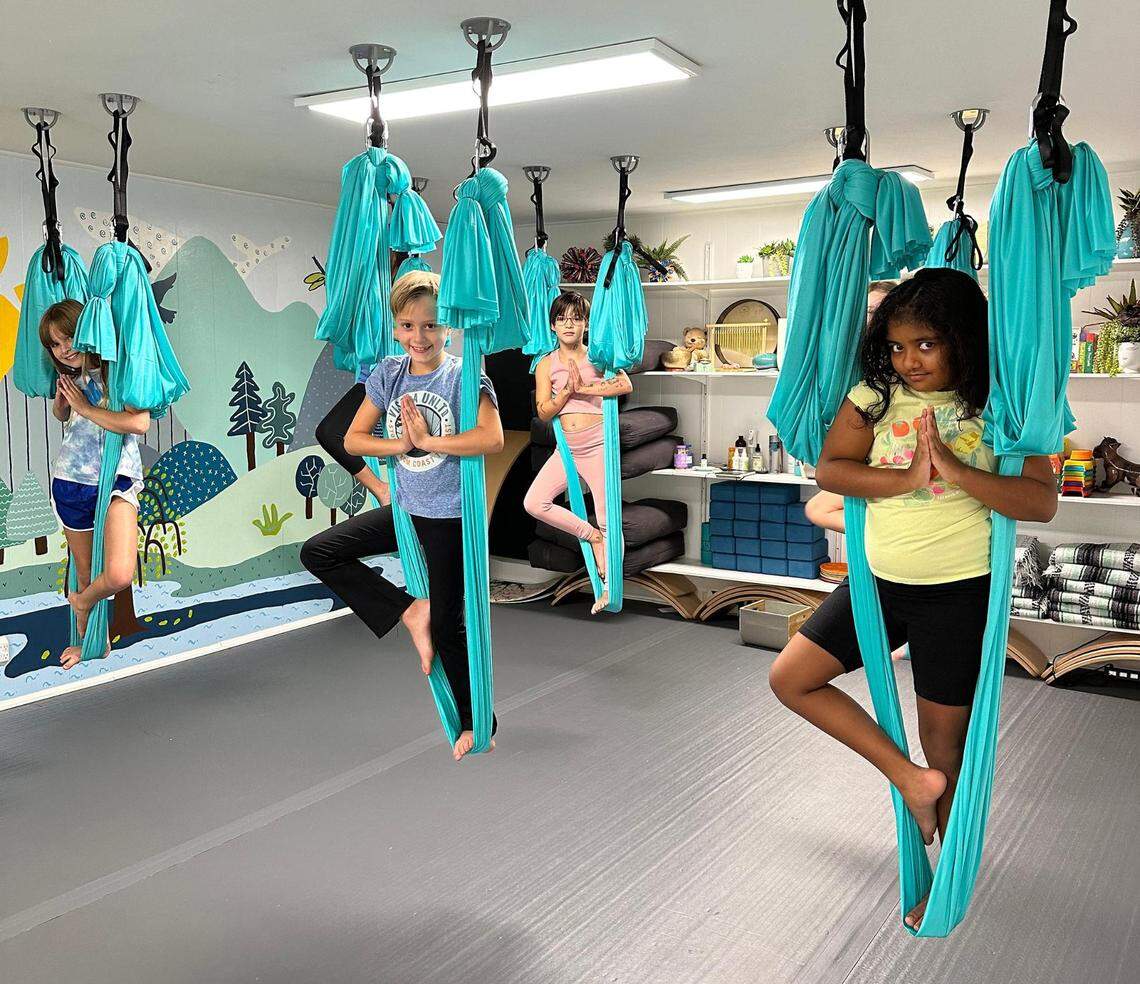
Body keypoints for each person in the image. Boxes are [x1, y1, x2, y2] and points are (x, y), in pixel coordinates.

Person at [767, 268, 1058, 929]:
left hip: (958, 594)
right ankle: (907, 777)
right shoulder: (875, 396)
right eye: (897, 346)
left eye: (925, 345)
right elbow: (831, 470)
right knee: (792, 678)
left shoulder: (999, 407)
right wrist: (905, 477)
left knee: (946, 747)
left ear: (961, 339)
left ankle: (950, 882)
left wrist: (954, 469)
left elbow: (1040, 500)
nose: (909, 360)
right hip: (878, 587)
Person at [300, 271, 504, 762]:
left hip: (450, 517)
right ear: (395, 327)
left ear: (449, 327)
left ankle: (480, 724)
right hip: (406, 510)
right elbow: (352, 440)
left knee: (450, 628)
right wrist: (400, 446)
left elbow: (491, 438)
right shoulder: (389, 373)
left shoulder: (464, 373)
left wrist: (431, 442)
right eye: (409, 326)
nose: (420, 337)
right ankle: (408, 608)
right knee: (319, 552)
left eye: (431, 326)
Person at [40, 300, 150, 669]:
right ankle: (90, 643)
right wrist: (64, 398)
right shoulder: (72, 377)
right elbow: (62, 415)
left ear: (87, 332)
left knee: (118, 573)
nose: (64, 348)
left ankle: (83, 601)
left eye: (68, 337)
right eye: (55, 345)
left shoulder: (118, 373)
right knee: (84, 572)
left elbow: (139, 424)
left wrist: (86, 408)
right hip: (71, 482)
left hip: (116, 479)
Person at [523, 291, 632, 614]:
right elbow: (544, 411)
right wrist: (566, 393)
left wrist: (582, 388)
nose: (569, 324)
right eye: (562, 318)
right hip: (567, 448)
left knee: (609, 518)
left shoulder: (598, 356)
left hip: (597, 443)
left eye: (576, 318)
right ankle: (591, 537)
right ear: (553, 326)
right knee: (534, 502)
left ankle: (610, 588)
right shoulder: (546, 364)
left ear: (586, 324)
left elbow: (624, 385)